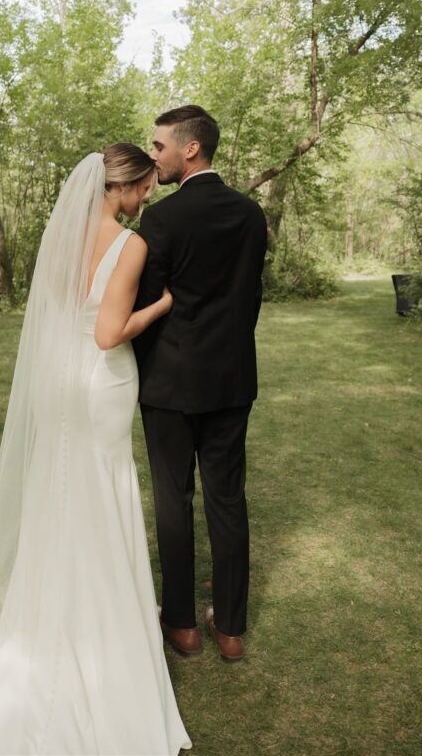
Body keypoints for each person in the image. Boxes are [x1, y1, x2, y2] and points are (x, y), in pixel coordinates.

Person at [0, 145, 191, 756]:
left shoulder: (60, 237)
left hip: (55, 379)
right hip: (99, 381)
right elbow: (108, 331)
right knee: (102, 494)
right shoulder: (131, 243)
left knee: (61, 497)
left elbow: (61, 314)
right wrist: (162, 305)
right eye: (144, 188)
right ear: (122, 188)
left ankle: (50, 631)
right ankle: (103, 646)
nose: (147, 197)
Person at [133, 105, 267, 663]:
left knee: (173, 501)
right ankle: (231, 628)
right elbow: (249, 298)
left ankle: (184, 625)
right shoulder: (250, 214)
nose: (154, 155)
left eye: (160, 145)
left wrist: (146, 369)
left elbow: (147, 305)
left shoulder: (160, 220)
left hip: (168, 384)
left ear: (191, 149)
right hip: (231, 380)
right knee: (227, 499)